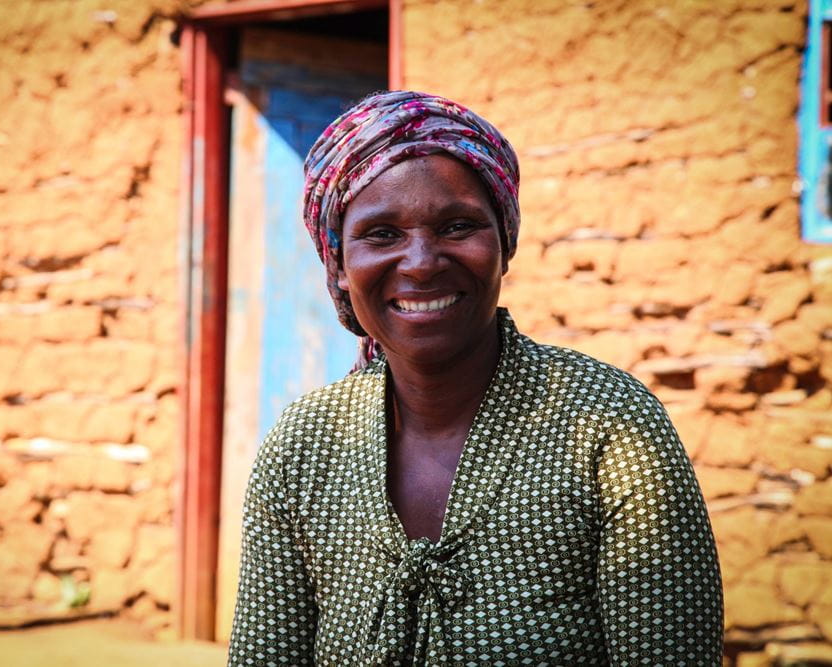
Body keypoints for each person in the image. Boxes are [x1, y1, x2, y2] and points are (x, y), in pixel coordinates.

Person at [227, 91, 723, 666]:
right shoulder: (305, 446)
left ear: (504, 244)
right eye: (382, 233)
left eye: (458, 226)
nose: (421, 263)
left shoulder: (608, 428)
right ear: (337, 263)